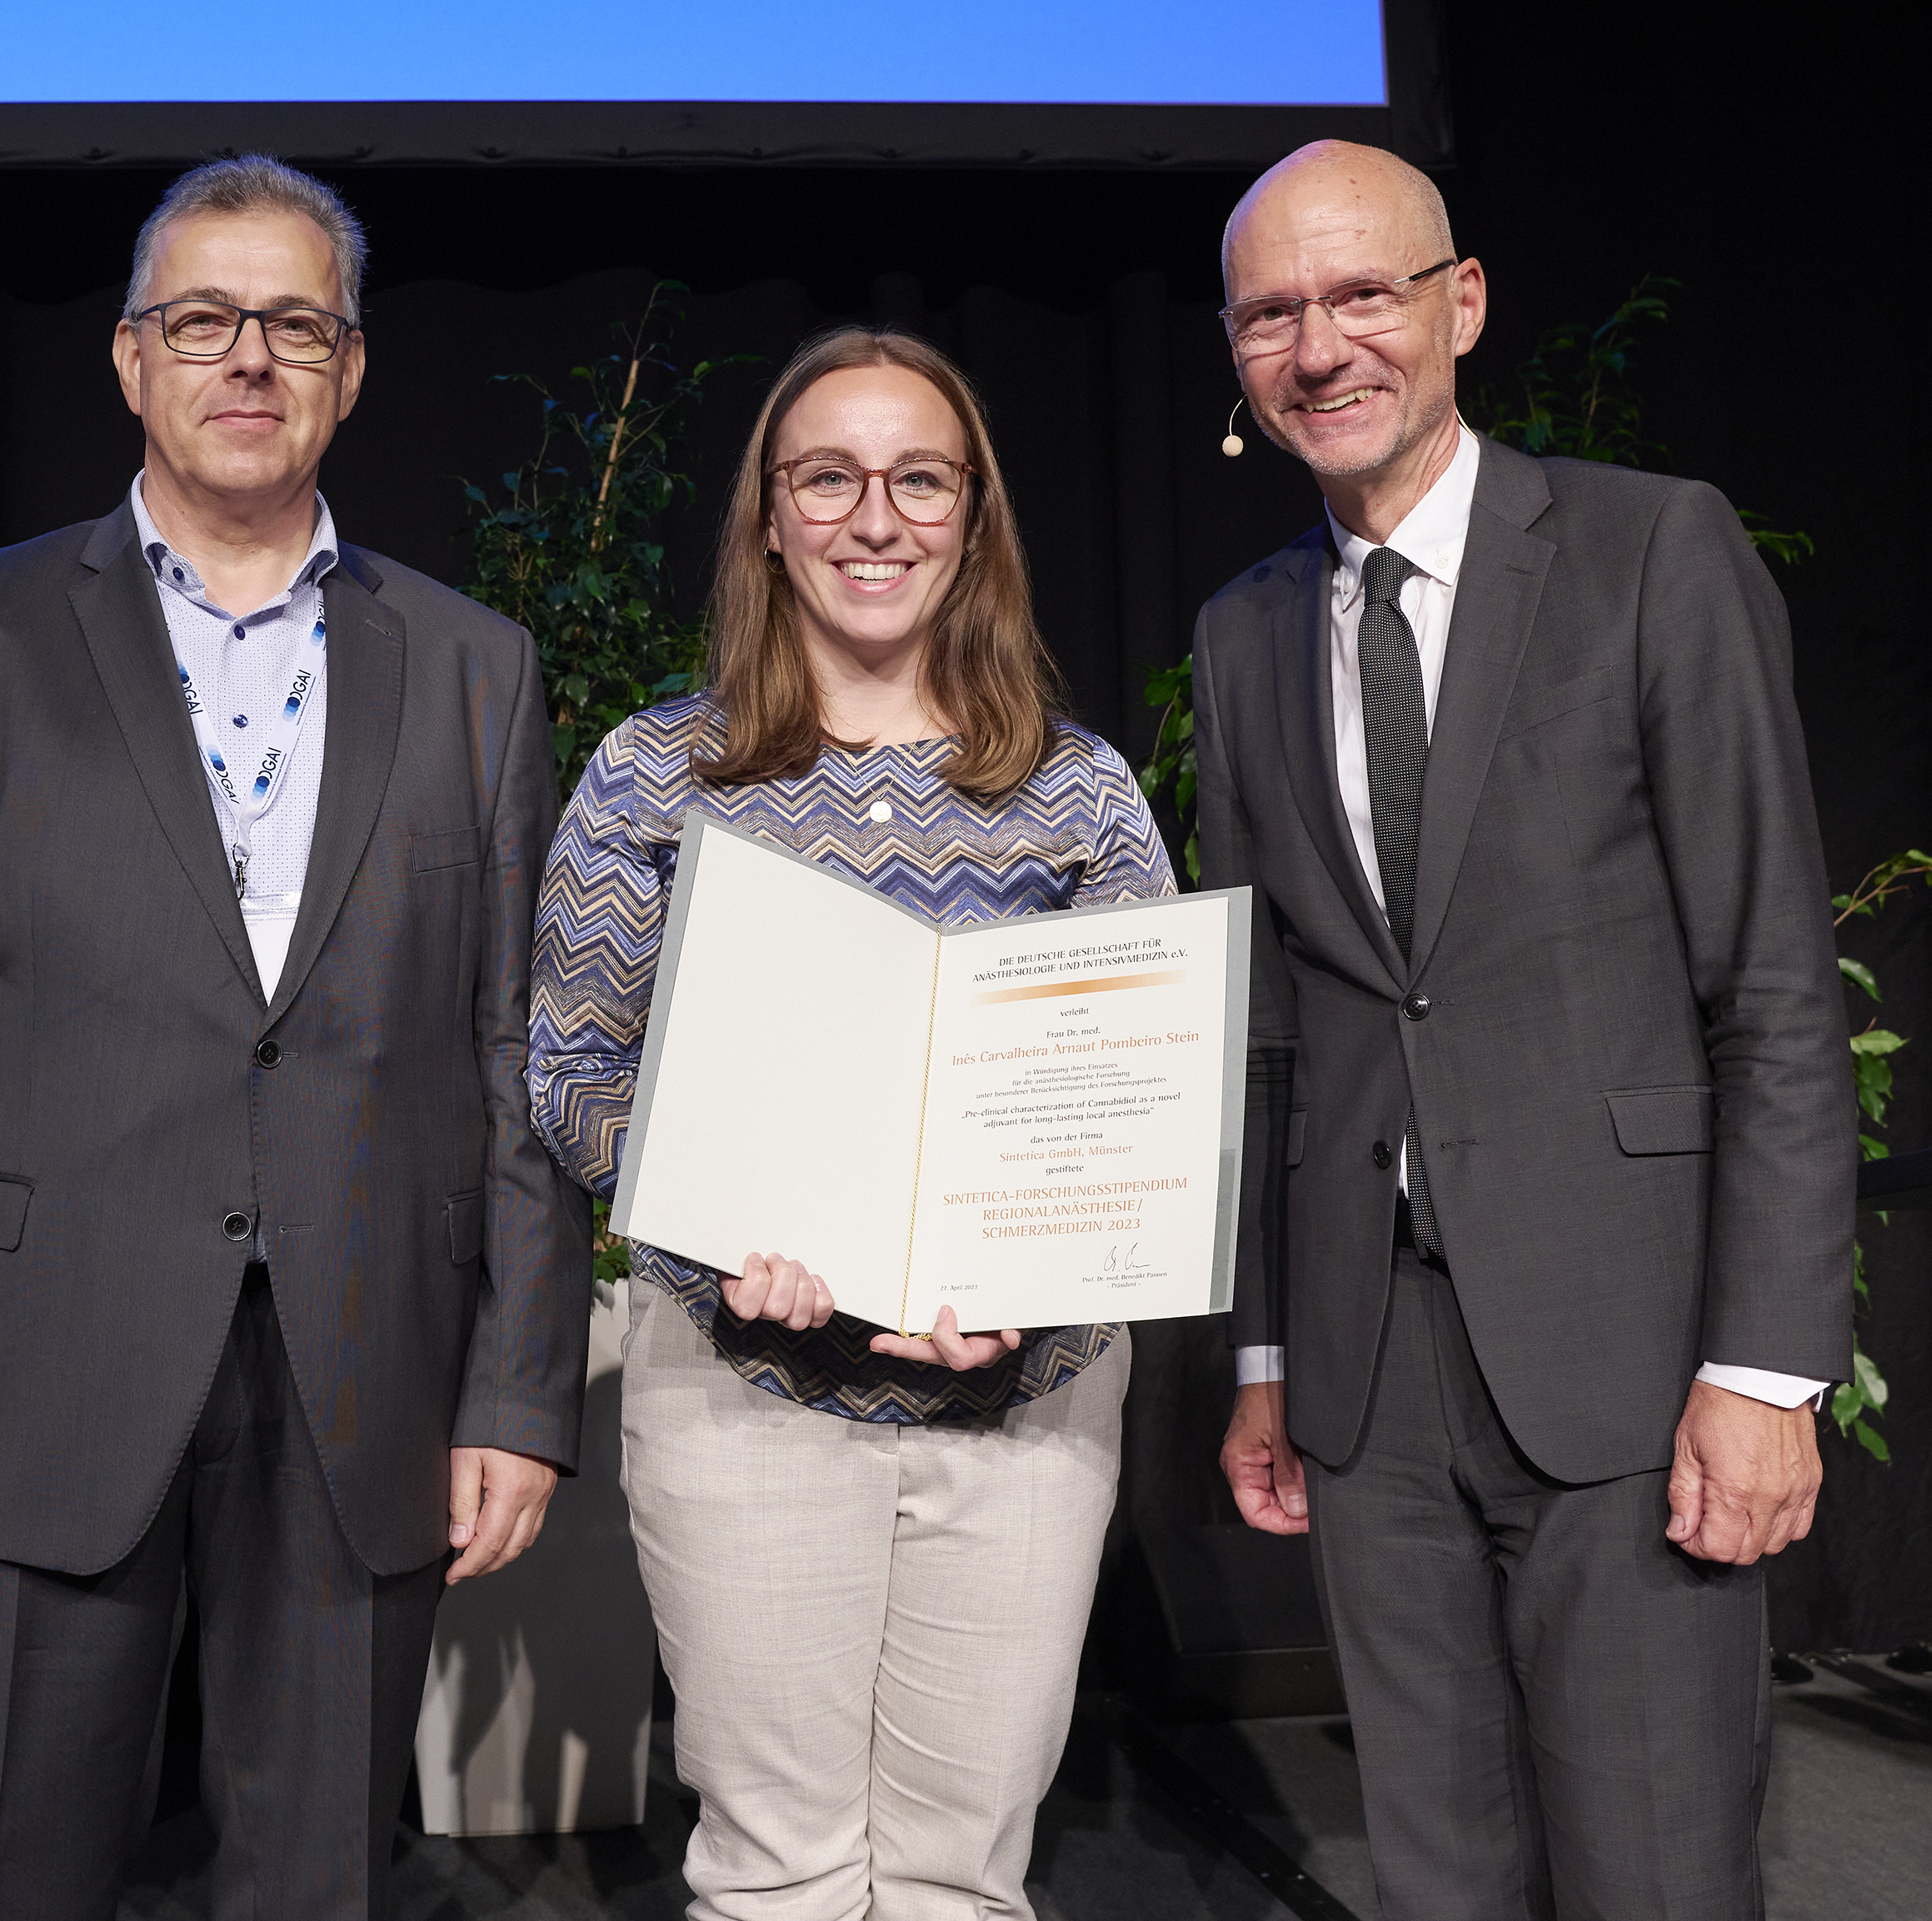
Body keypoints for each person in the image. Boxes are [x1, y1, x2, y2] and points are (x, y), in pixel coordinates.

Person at [0, 153, 592, 1920]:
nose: (249, 357)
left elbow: (514, 1052)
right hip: (33, 1381)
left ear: (352, 369)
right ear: (129, 357)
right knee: (4, 1872)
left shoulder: (474, 666)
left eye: (295, 325)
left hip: (362, 1374)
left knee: (319, 1884)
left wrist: (519, 1388)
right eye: (203, 320)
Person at [1198, 141, 1846, 1919]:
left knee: (1656, 1865)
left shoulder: (1652, 549)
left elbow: (1771, 983)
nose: (1319, 346)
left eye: (1361, 294)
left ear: (1460, 303)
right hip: (1366, 1375)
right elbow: (1269, 1035)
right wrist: (1265, 1354)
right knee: (1436, 1874)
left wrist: (1765, 1367)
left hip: (1631, 1349)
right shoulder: (1242, 635)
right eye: (1270, 313)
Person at [530, 325, 1165, 1918]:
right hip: (745, 1392)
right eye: (827, 478)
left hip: (1026, 1404)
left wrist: (1032, 1282)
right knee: (777, 1873)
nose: (874, 519)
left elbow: (1140, 1109)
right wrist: (723, 1222)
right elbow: (574, 1070)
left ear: (973, 515)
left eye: (919, 480)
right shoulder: (655, 774)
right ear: (768, 515)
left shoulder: (1080, 792)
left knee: (965, 1877)